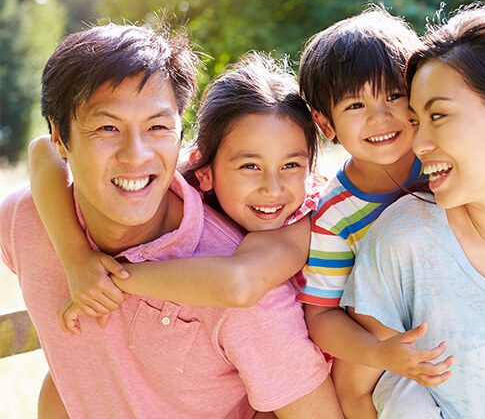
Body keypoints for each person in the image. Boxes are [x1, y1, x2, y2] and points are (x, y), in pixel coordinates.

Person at [1, 25, 340, 418]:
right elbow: (40, 152)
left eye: (157, 127)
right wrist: (76, 257)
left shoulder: (249, 292)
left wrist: (109, 279)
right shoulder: (29, 219)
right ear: (62, 137)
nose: (136, 154)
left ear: (181, 134)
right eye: (108, 127)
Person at [296, 3, 485, 417]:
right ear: (325, 123)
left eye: (403, 103)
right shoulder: (361, 223)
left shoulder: (443, 160)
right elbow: (330, 334)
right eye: (355, 106)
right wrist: (382, 354)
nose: (410, 137)